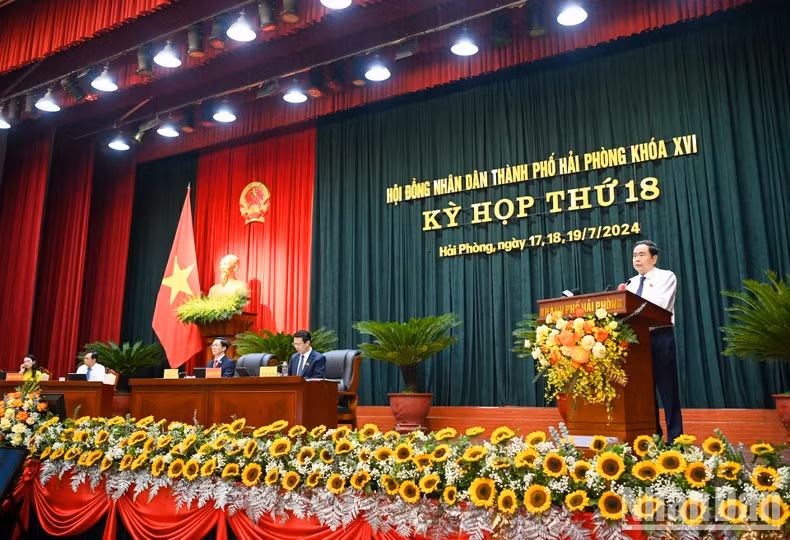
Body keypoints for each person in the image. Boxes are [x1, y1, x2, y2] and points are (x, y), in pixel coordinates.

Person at [626, 239, 683, 442]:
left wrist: (630, 307)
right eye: (634, 255)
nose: (637, 259)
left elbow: (659, 305)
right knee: (645, 393)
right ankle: (653, 438)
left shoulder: (666, 276)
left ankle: (675, 440)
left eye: (641, 254)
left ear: (654, 258)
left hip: (660, 337)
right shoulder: (630, 283)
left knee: (668, 390)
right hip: (637, 341)